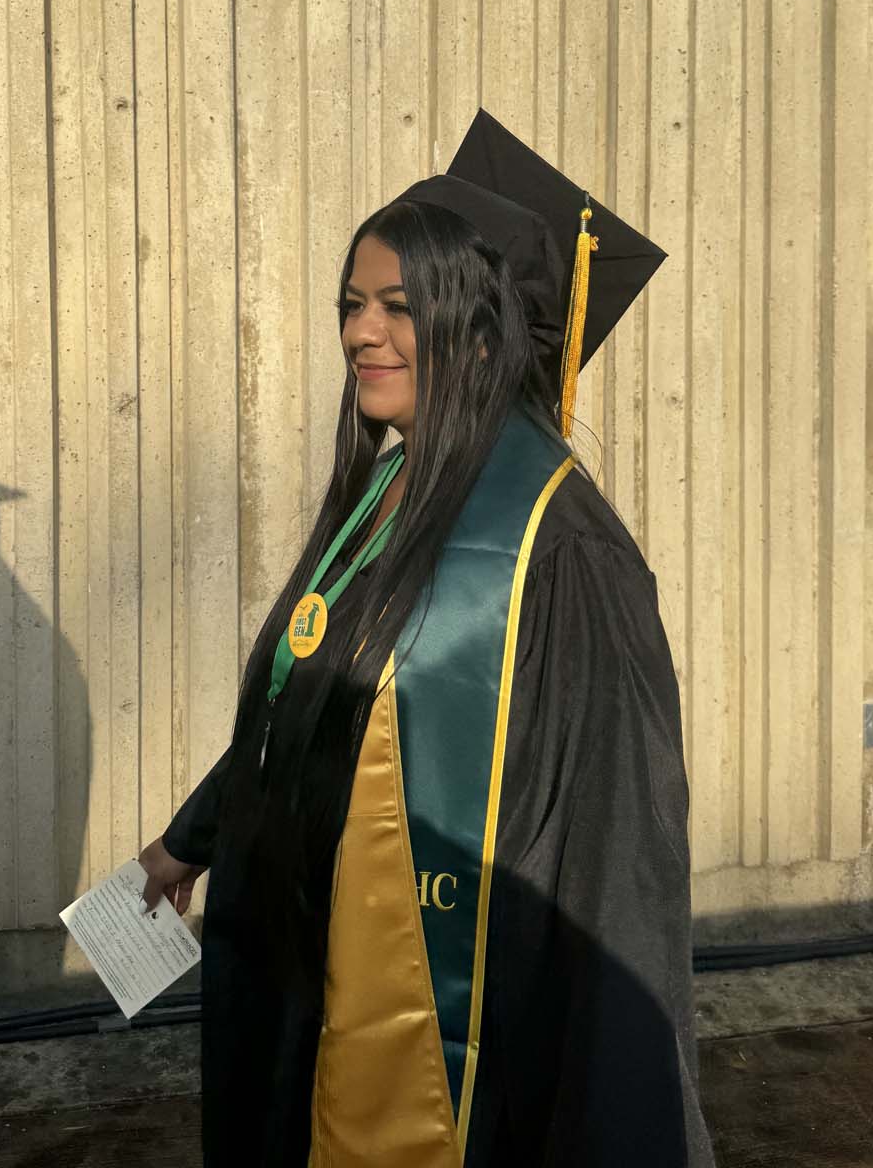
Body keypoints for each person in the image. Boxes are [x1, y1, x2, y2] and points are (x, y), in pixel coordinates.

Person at [139, 110, 716, 1166]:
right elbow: (312, 707)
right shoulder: (394, 493)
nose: (362, 331)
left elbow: (620, 866)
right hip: (317, 994)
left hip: (472, 1054)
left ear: (485, 327)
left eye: (401, 307)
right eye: (353, 304)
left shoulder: (560, 550)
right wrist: (193, 837)